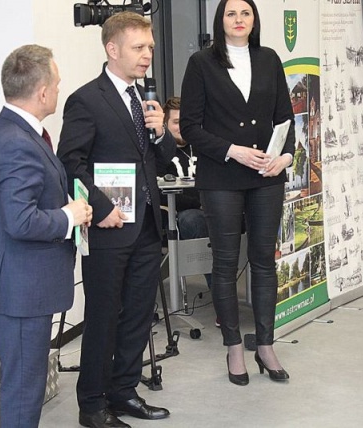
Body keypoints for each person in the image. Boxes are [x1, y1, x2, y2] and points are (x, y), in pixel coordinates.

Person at [57, 12, 175, 428]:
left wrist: (161, 132)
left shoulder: (145, 100)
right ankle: (92, 405)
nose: (147, 55)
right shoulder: (86, 100)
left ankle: (124, 391)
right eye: (139, 47)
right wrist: (102, 206)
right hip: (107, 229)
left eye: (150, 48)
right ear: (112, 49)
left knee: (139, 316)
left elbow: (163, 160)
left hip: (146, 227)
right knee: (104, 318)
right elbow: (69, 163)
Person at [0, 44, 92, 427]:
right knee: (24, 393)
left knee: (23, 387)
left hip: (18, 284)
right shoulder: (16, 143)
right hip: (20, 289)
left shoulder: (10, 131)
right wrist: (69, 216)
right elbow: (20, 220)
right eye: (56, 84)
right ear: (42, 93)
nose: (58, 90)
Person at [179, 0, 295, 386]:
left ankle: (265, 346)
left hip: (266, 176)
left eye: (245, 13)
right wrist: (232, 150)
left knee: (263, 263)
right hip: (221, 176)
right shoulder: (201, 63)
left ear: (254, 20)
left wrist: (286, 157)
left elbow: (285, 117)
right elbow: (190, 128)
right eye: (231, 13)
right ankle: (233, 347)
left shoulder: (269, 59)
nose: (239, 19)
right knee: (226, 264)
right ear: (220, 20)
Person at [159, 96, 212, 289]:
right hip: (180, 214)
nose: (182, 126)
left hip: (211, 207)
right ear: (164, 124)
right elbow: (160, 193)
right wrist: (199, 203)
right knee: (193, 219)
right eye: (176, 122)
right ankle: (219, 292)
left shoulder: (203, 147)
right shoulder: (159, 153)